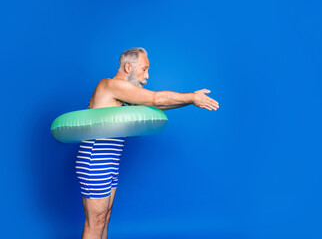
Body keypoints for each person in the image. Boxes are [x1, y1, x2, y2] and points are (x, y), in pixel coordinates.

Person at [76, 47, 219, 239]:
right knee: (95, 221)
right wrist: (192, 97)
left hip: (110, 162)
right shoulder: (109, 85)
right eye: (144, 69)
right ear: (128, 66)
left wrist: (192, 100)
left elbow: (160, 103)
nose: (147, 76)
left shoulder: (126, 95)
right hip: (95, 159)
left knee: (105, 217)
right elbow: (156, 98)